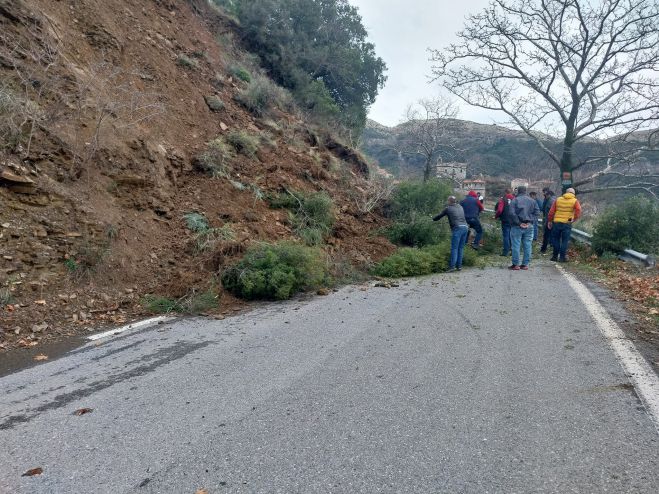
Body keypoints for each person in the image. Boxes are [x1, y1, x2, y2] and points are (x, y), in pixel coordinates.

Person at [433, 196, 469, 272]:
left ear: (449, 201)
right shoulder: (460, 207)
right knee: (460, 248)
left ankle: (452, 267)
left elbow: (439, 216)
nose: (447, 202)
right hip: (465, 227)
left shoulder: (448, 208)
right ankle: (459, 266)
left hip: (457, 228)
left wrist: (432, 219)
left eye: (448, 201)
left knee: (454, 248)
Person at [508, 185, 540, 270]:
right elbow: (537, 213)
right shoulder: (533, 201)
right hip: (529, 226)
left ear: (518, 191)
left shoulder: (514, 200)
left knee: (516, 245)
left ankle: (516, 265)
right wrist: (530, 222)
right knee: (528, 245)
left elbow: (511, 213)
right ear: (526, 191)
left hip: (517, 226)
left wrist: (519, 223)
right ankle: (525, 264)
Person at [547, 187, 582, 262]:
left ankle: (554, 256)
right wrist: (573, 219)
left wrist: (550, 221)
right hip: (567, 222)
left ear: (566, 192)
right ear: (573, 193)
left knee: (556, 240)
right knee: (564, 241)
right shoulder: (575, 201)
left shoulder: (558, 199)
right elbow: (578, 210)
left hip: (556, 222)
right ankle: (562, 258)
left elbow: (551, 211)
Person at [494, 188, 515, 256]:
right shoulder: (515, 199)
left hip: (505, 219)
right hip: (513, 220)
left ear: (505, 192)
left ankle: (505, 252)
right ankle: (513, 251)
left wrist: (496, 216)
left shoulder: (503, 199)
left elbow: (499, 210)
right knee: (512, 235)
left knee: (506, 235)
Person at [540, 189, 556, 254]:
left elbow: (550, 212)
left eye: (546, 195)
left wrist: (549, 221)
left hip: (550, 221)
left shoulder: (550, 201)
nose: (545, 197)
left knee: (546, 235)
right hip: (553, 220)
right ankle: (552, 247)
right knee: (552, 234)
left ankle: (543, 249)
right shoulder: (555, 200)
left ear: (549, 195)